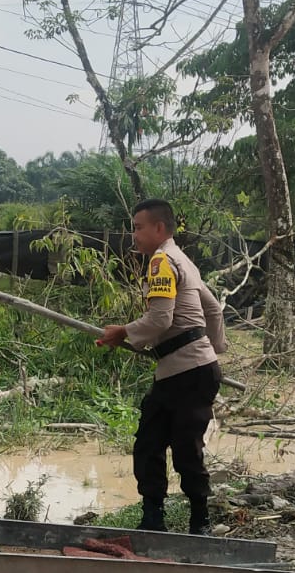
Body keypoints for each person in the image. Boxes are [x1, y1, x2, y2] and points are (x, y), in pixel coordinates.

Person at [98, 199, 228, 535]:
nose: (134, 236)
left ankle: (199, 520)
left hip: (187, 374)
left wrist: (122, 332)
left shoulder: (161, 262)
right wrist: (213, 351)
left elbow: (160, 319)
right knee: (151, 442)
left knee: (182, 448)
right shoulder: (184, 260)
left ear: (159, 228)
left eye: (138, 227)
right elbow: (213, 312)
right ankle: (156, 517)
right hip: (182, 372)